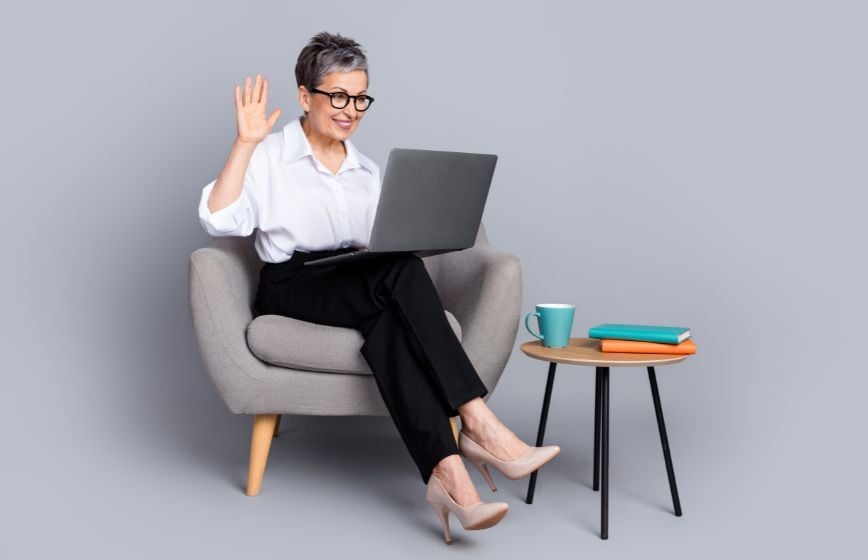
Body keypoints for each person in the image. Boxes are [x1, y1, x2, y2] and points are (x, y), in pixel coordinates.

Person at [197, 31, 560, 544]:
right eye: (337, 96)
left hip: (353, 277)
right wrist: (244, 143)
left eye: (360, 98)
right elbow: (218, 219)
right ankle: (479, 421)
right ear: (305, 96)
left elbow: (378, 246)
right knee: (400, 273)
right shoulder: (269, 155)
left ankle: (450, 478)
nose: (350, 110)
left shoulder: (365, 170)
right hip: (291, 283)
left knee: (391, 317)